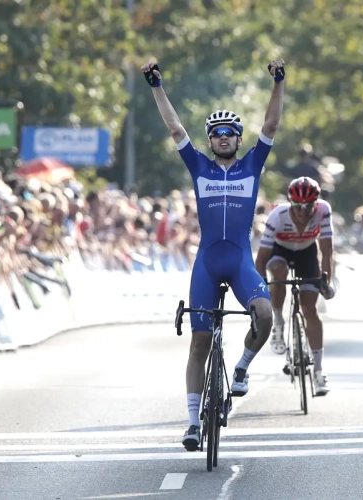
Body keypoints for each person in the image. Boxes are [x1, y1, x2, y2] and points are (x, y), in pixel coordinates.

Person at [141, 58, 286, 451]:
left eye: (230, 133)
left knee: (265, 314)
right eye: (217, 133)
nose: (223, 137)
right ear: (210, 140)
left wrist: (278, 83)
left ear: (239, 139)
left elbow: (271, 126)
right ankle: (191, 424)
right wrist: (157, 86)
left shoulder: (253, 166)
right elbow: (174, 127)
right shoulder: (199, 166)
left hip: (239, 259)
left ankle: (240, 368)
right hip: (207, 261)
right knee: (199, 342)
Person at [255, 176, 335, 395]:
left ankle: (319, 372)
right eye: (298, 206)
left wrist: (325, 281)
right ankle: (279, 324)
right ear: (290, 203)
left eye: (308, 206)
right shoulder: (277, 216)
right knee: (278, 273)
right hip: (280, 252)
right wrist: (261, 292)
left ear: (315, 204)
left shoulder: (323, 210)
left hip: (307, 254)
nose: (303, 211)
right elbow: (261, 260)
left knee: (309, 308)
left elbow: (327, 251)